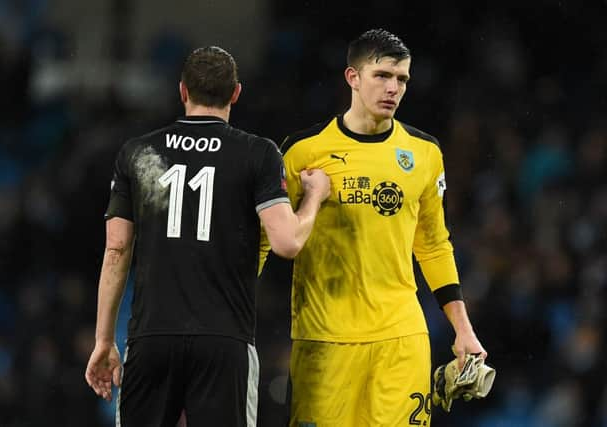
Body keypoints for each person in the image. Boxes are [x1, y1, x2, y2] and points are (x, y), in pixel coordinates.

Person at [84, 46, 330, 427]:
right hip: (224, 340)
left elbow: (116, 249)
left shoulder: (138, 152)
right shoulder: (257, 154)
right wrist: (313, 197)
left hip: (152, 337)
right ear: (236, 93)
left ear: (182, 91)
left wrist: (104, 341)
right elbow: (287, 242)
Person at [275, 29, 488, 426]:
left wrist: (463, 329)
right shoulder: (302, 151)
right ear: (352, 77)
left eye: (402, 79)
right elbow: (267, 241)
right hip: (325, 338)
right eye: (382, 76)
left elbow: (434, 244)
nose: (393, 88)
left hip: (401, 337)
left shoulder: (424, 153)